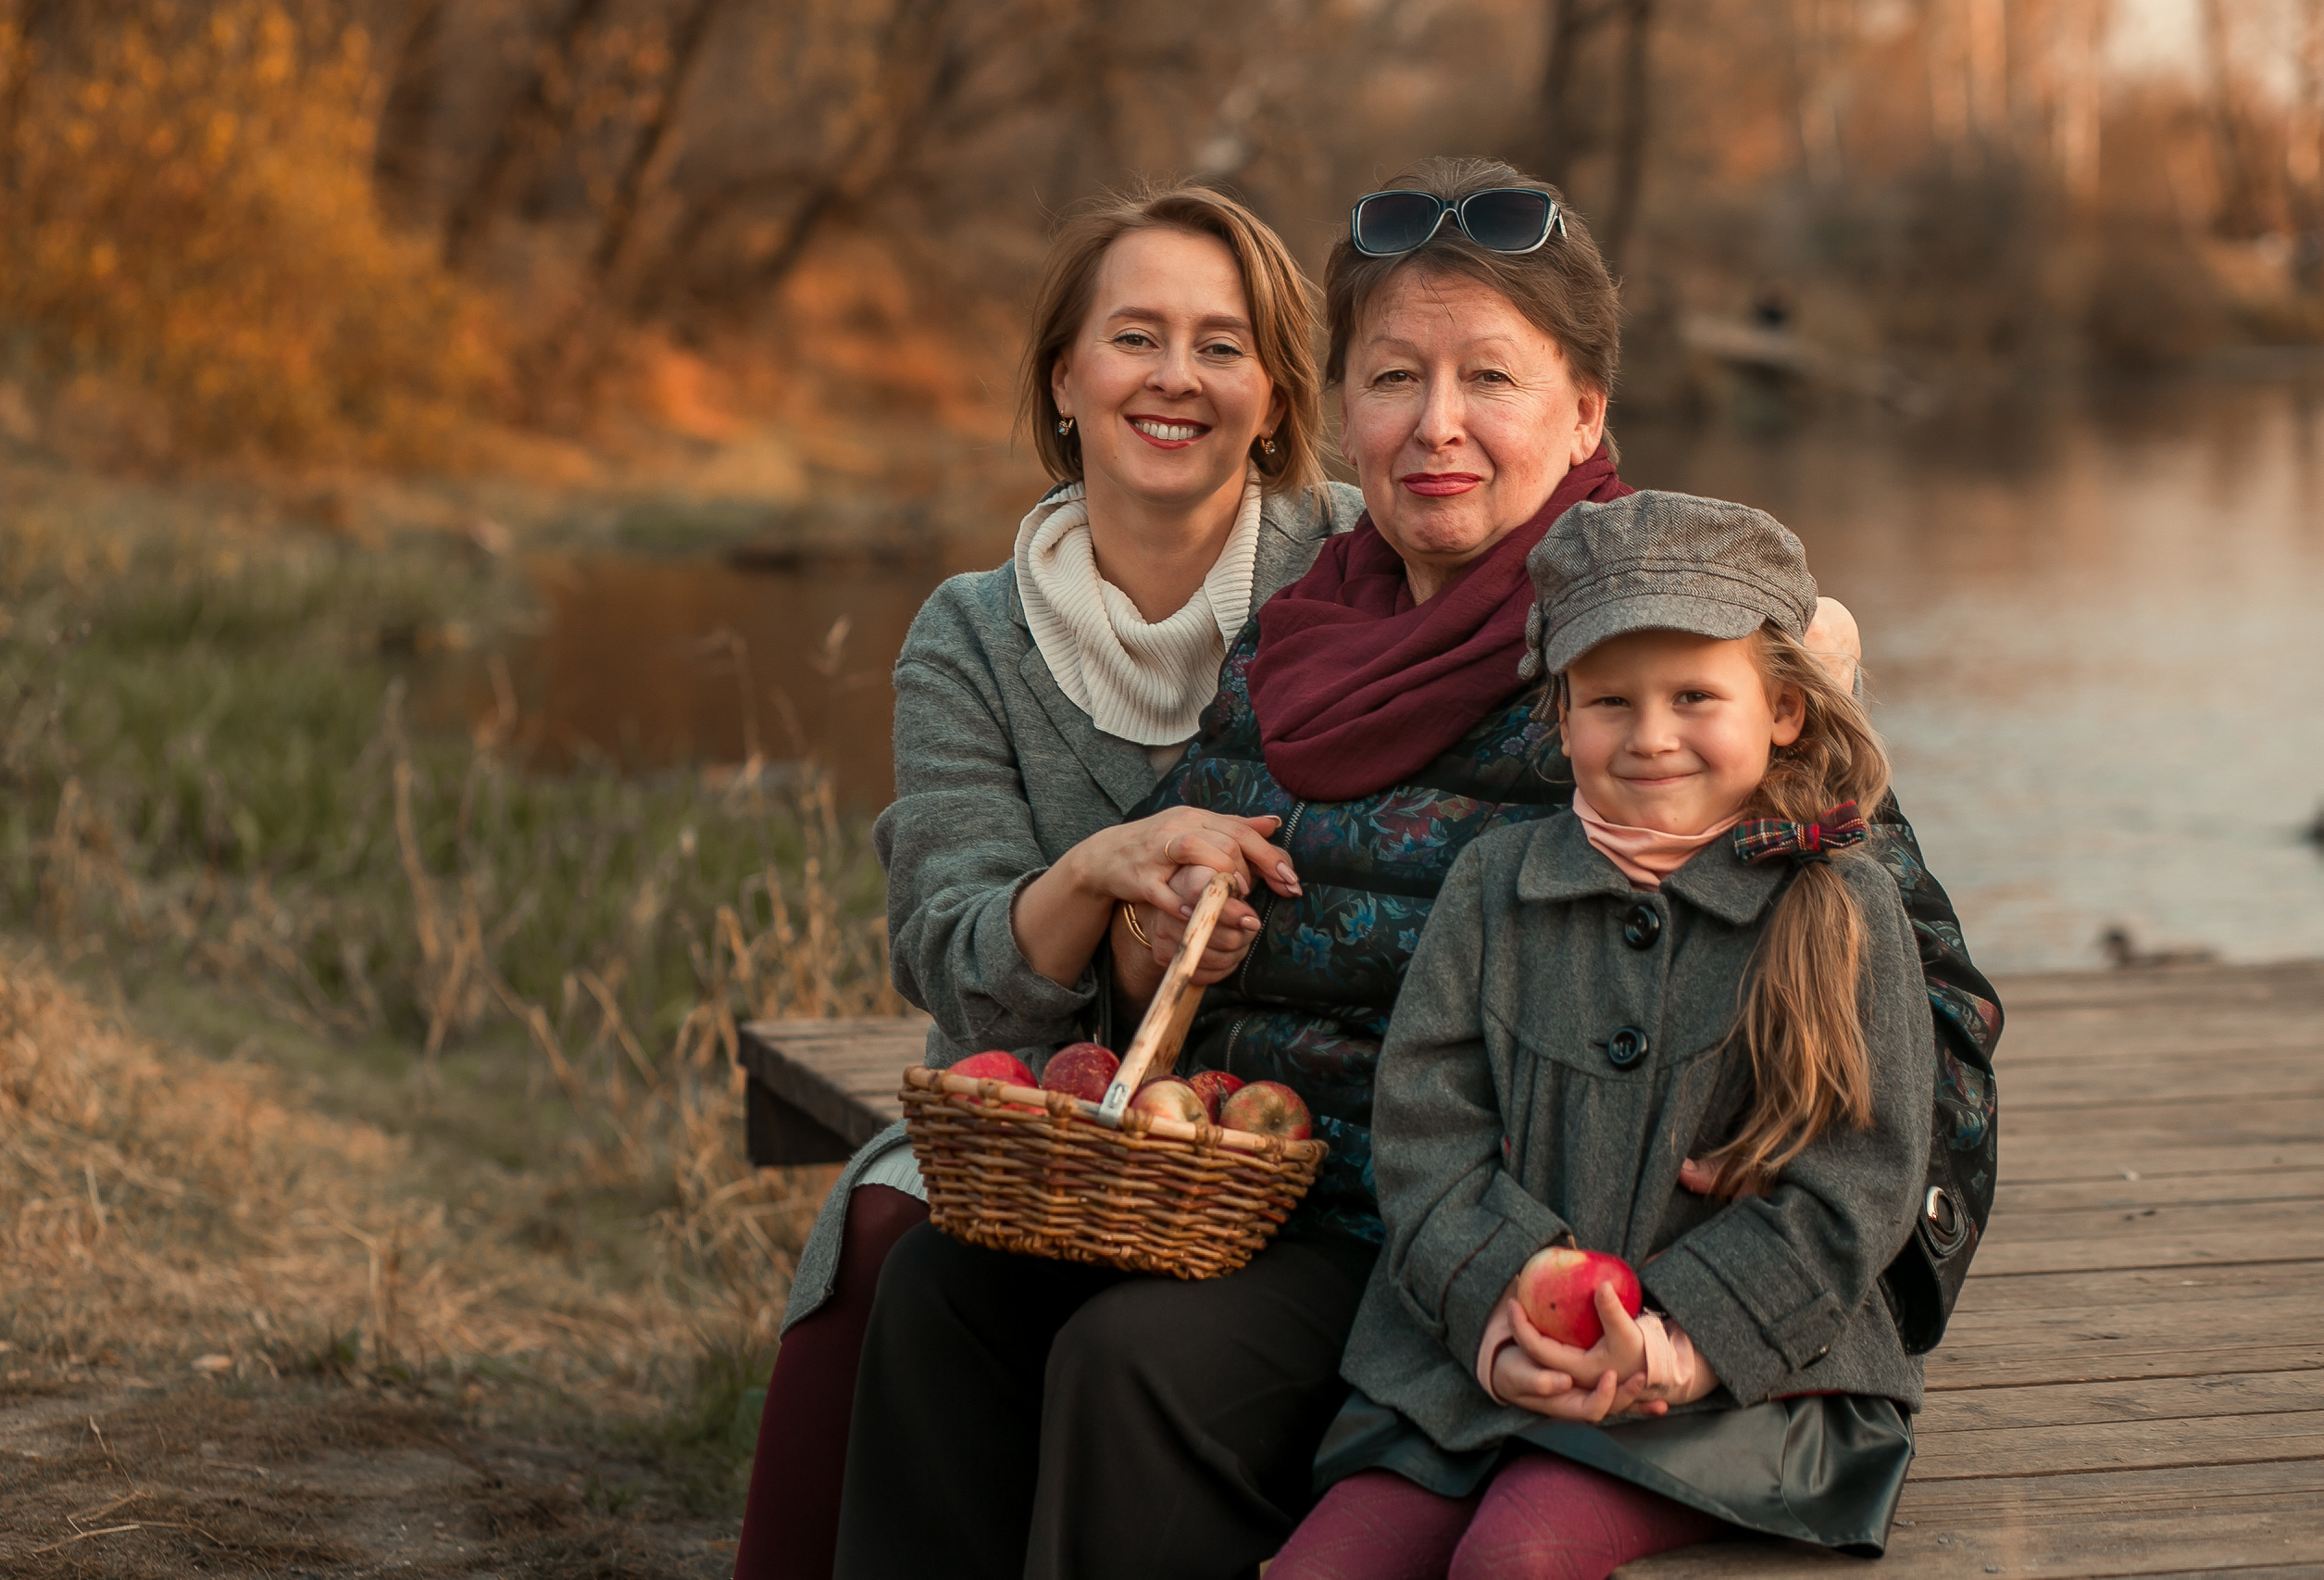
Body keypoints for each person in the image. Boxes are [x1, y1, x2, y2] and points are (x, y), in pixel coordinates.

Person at [833, 157, 2000, 1580]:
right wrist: (1154, 940)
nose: (1435, 426)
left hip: (1483, 1239)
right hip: (1242, 1182)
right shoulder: (1300, 632)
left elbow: (1927, 1012)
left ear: (1584, 414)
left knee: (1140, 1362)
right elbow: (1180, 924)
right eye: (1392, 378)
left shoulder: (1674, 663)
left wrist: (1729, 1295)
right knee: (945, 1285)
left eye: (1490, 379)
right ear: (1343, 414)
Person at [733, 182, 1356, 1580]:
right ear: (1065, 378)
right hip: (1040, 1128)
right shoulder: (970, 632)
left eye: (1221, 344)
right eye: (1136, 337)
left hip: (1279, 1122)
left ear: (1273, 394)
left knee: (1108, 1337)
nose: (1176, 378)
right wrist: (1095, 872)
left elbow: (1572, 566)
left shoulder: (1355, 566)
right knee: (896, 1237)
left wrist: (1791, 619)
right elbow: (953, 955)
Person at [1270, 492, 1932, 1580]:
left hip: (1752, 1374)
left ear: (1782, 710)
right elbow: (1424, 1127)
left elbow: (1858, 1184)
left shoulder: (1839, 903)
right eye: (1609, 700)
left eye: (1693, 695)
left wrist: (1682, 1338)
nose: (1652, 733)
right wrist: (1496, 1310)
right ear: (1561, 714)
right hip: (1481, 1355)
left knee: (1516, 1555)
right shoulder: (1494, 883)